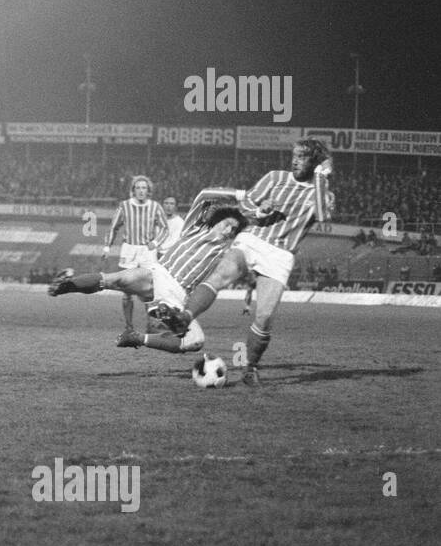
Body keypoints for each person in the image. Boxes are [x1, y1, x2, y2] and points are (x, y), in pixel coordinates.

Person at [152, 140, 335, 386]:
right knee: (219, 276)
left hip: (281, 254)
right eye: (294, 155)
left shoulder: (321, 191)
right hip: (253, 239)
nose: (294, 161)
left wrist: (323, 175)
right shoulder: (274, 178)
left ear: (314, 162)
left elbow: (323, 215)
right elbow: (246, 205)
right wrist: (261, 211)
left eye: (302, 157)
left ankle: (250, 368)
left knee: (265, 317)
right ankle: (184, 318)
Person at [50, 194, 247, 355]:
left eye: (234, 229)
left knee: (195, 341)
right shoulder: (194, 227)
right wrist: (238, 195)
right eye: (227, 224)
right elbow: (205, 194)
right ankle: (66, 285)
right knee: (117, 279)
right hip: (158, 273)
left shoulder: (227, 251)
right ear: (217, 221)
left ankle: (138, 337)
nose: (229, 230)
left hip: (179, 296)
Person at [104, 176, 169, 332]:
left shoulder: (155, 207)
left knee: (149, 291)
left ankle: (151, 325)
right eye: (138, 188)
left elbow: (165, 228)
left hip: (147, 252)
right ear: (133, 190)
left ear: (148, 191)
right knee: (127, 292)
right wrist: (107, 247)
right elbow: (113, 227)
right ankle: (129, 326)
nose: (141, 191)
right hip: (129, 250)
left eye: (144, 188)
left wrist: (156, 242)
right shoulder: (124, 206)